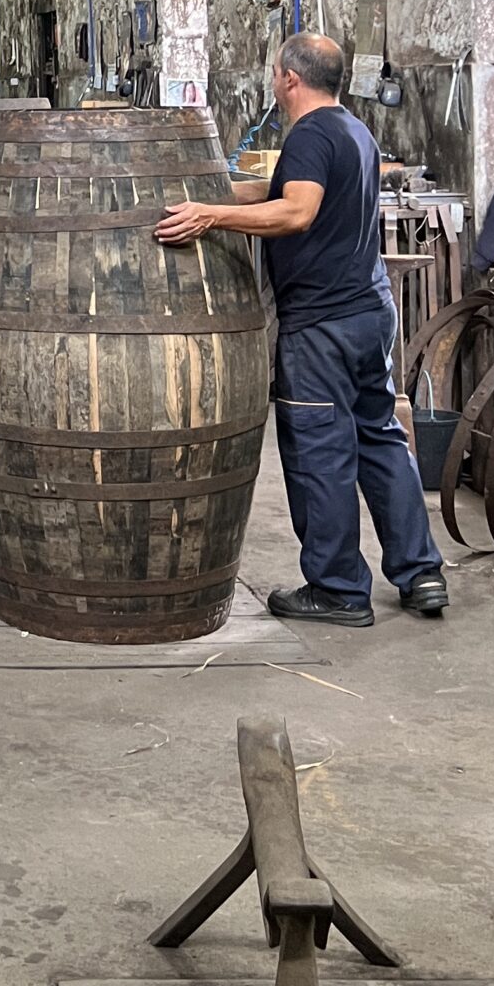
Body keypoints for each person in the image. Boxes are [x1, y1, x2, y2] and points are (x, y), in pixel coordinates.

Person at [153, 31, 447, 627]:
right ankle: (421, 573)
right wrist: (212, 192)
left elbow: (298, 210)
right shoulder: (353, 130)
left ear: (289, 77)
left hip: (322, 326)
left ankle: (338, 589)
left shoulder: (310, 134)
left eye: (274, 71)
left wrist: (211, 216)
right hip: (369, 312)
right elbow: (288, 189)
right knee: (381, 438)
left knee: (321, 451)